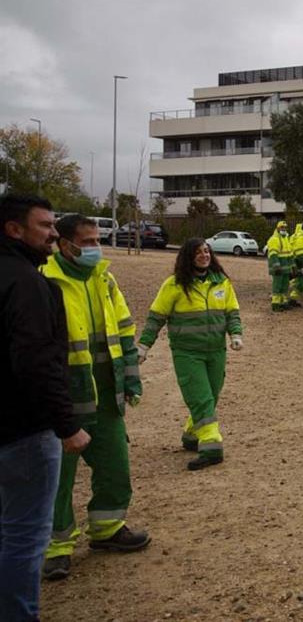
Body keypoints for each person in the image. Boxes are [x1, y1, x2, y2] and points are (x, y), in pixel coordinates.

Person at [40, 214, 150, 581]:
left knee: (115, 466)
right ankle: (57, 547)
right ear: (65, 245)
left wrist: (130, 380)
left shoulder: (104, 279)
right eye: (87, 242)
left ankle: (107, 529)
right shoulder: (45, 281)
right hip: (64, 396)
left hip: (105, 394)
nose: (95, 248)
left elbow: (124, 330)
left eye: (97, 240)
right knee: (57, 479)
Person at [0, 194, 90, 621]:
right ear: (14, 229)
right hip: (24, 430)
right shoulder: (29, 284)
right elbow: (37, 361)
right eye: (45, 225)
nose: (54, 233)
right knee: (23, 536)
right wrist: (65, 424)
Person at [138, 239, 243, 471]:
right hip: (187, 353)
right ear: (188, 257)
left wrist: (236, 333)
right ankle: (211, 446)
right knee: (201, 397)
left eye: (206, 251)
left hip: (216, 351)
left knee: (212, 394)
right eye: (198, 253)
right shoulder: (174, 285)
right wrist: (144, 346)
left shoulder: (222, 282)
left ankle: (192, 434)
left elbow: (232, 311)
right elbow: (156, 317)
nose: (204, 255)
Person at [265, 221, 294, 312]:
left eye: (285, 227)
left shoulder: (286, 239)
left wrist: (293, 266)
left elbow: (290, 254)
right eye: (282, 227)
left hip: (285, 269)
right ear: (277, 228)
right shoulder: (274, 239)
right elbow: (273, 254)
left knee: (285, 286)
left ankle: (283, 303)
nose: (284, 229)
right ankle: (275, 304)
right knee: (277, 286)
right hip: (278, 268)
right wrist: (276, 266)